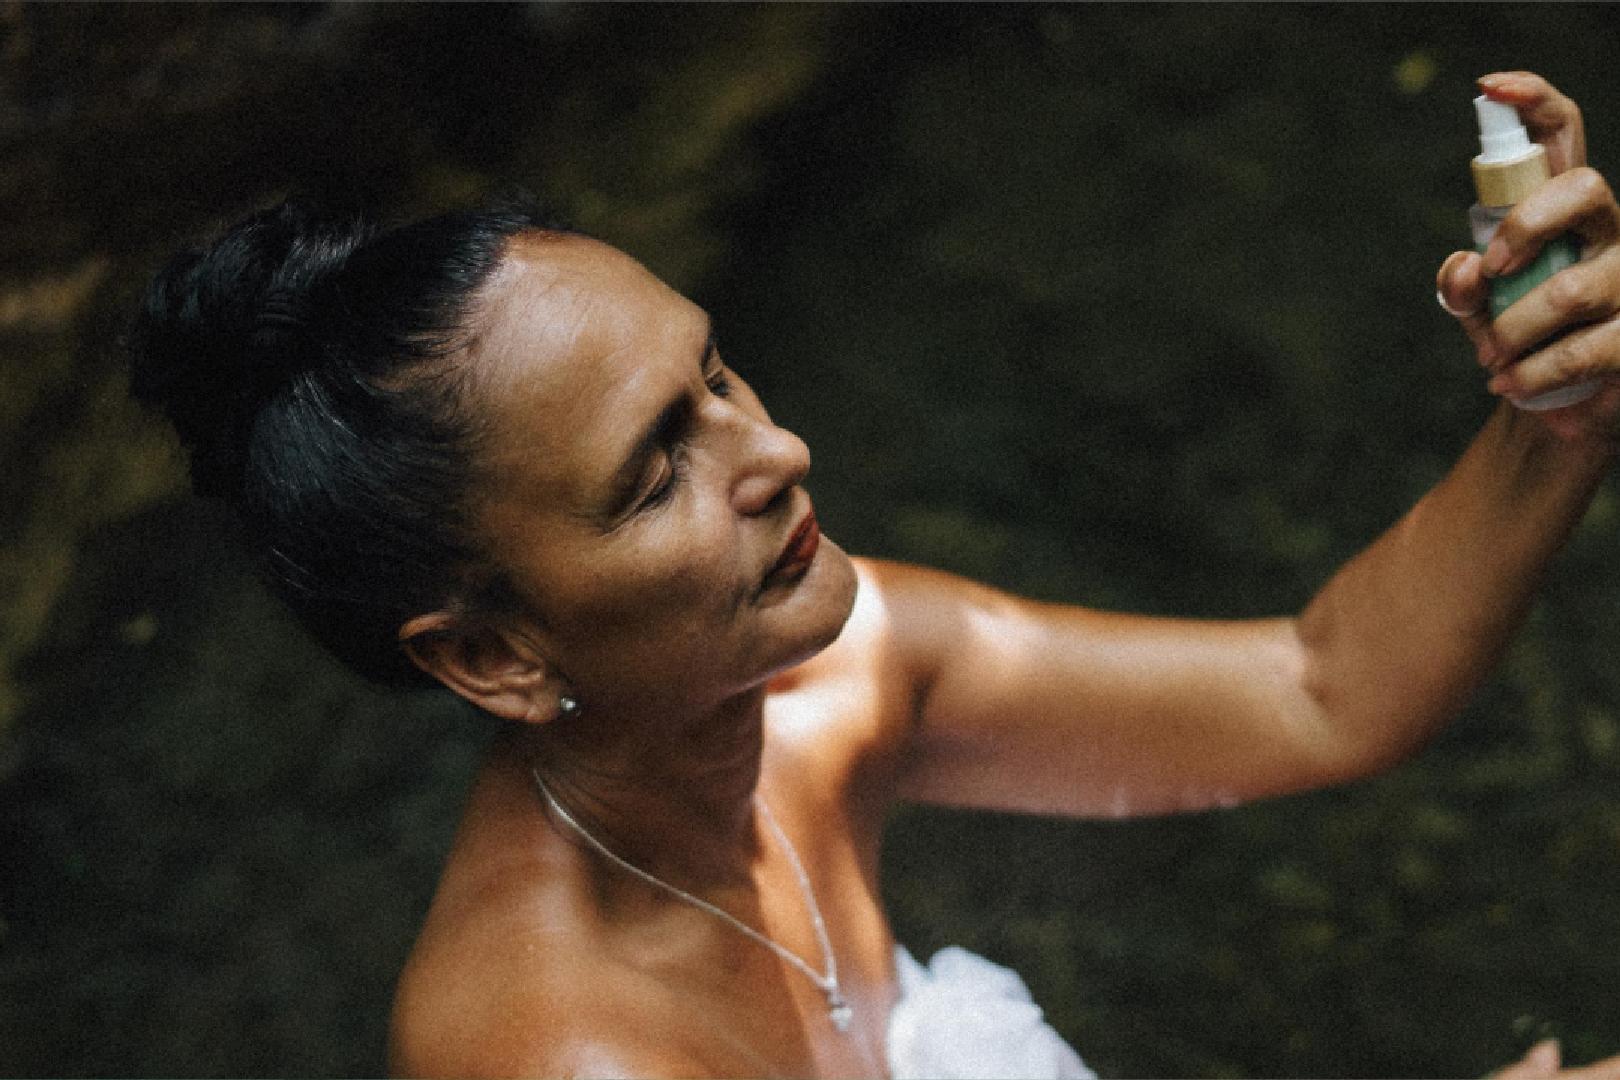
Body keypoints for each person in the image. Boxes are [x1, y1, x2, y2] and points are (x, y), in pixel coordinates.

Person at [125, 71, 1620, 1078]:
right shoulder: (562, 1051)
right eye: (655, 472)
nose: (777, 451)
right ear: (489, 656)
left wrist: (1559, 409)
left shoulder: (833, 680)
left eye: (717, 374)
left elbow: (1321, 685)